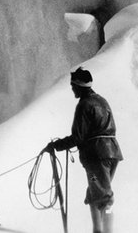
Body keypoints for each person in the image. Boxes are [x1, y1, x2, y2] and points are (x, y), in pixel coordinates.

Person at [45, 67, 123, 233]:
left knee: (103, 197)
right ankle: (98, 230)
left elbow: (77, 137)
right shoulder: (102, 101)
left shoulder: (84, 105)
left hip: (96, 159)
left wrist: (55, 146)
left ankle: (107, 231)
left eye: (73, 85)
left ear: (79, 85)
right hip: (111, 155)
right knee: (96, 192)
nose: (72, 89)